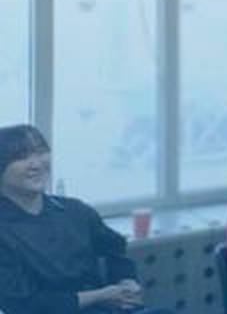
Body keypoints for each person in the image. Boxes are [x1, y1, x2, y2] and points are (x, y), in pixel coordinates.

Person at [0, 124, 155, 314]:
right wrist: (102, 295)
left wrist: (126, 282)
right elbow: (24, 304)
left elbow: (115, 248)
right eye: (22, 157)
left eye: (40, 152)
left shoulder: (76, 211)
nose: (36, 164)